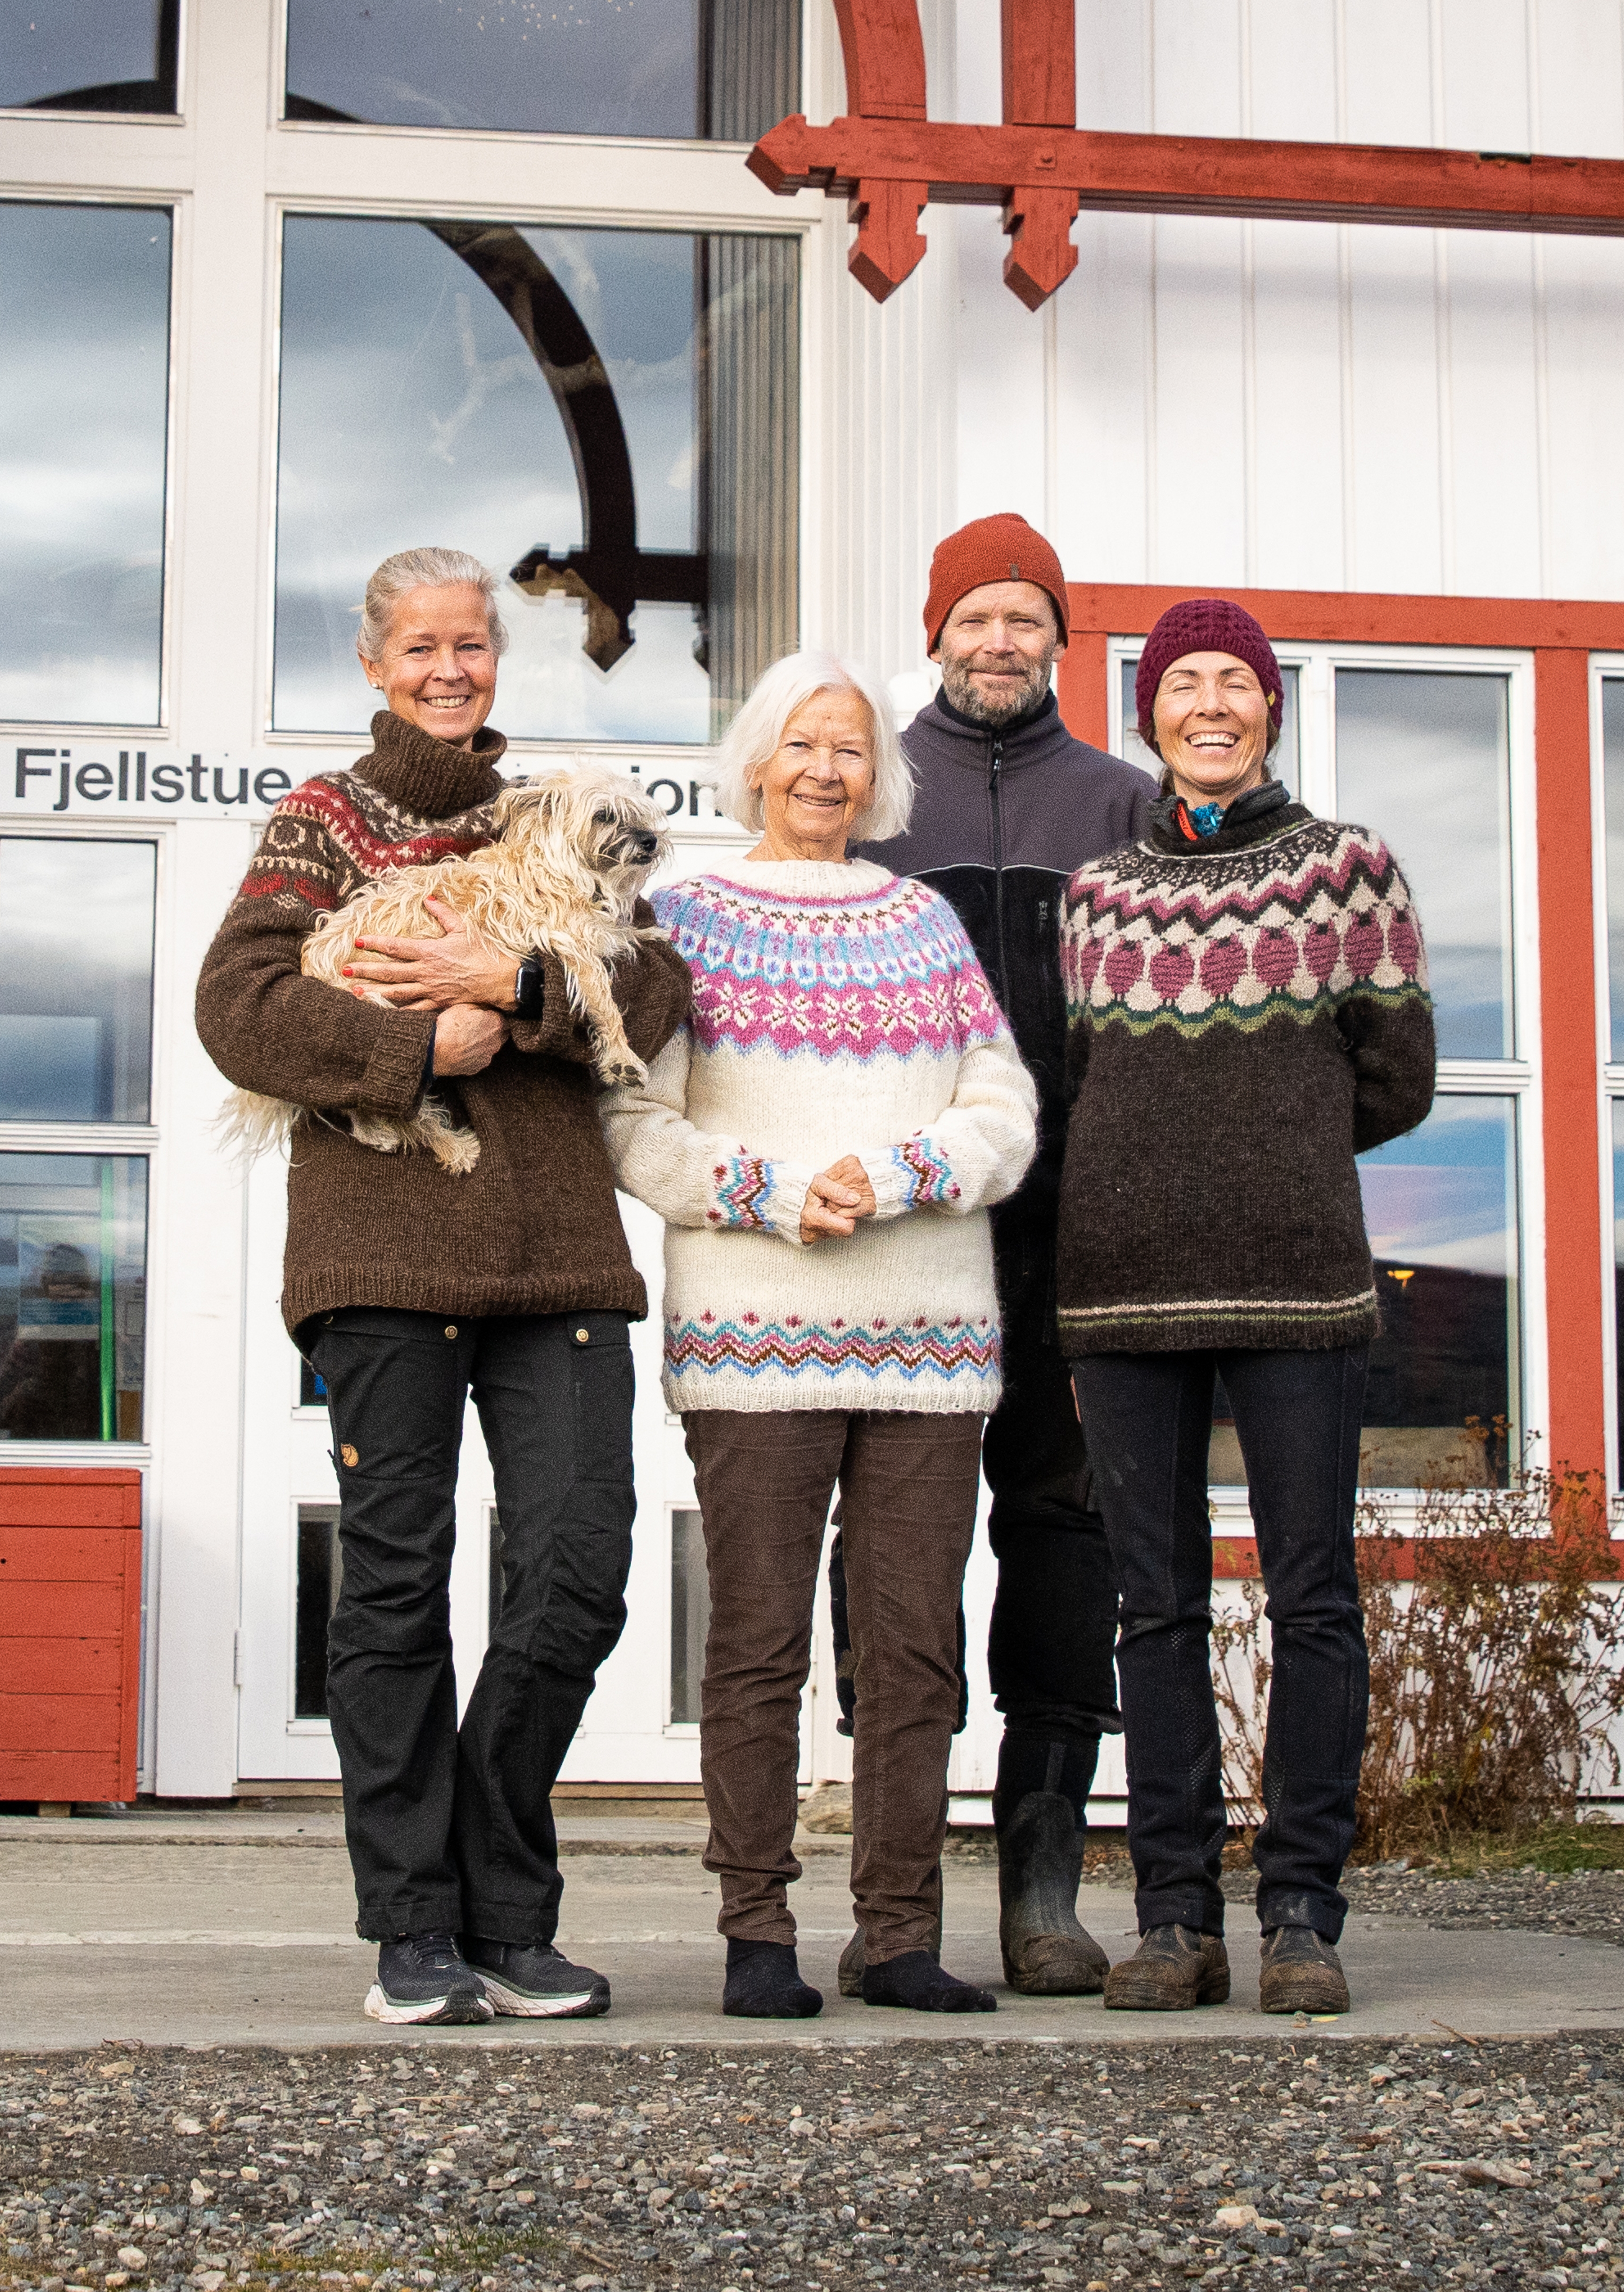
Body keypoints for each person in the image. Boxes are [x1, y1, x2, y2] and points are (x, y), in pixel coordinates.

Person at [196, 546, 690, 2028]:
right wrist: (421, 1052)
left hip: (556, 1259)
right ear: (375, 662)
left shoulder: (551, 816)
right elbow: (239, 1005)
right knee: (397, 1588)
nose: (450, 666)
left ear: (496, 658)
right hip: (380, 1251)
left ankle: (496, 1887)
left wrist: (523, 991)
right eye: (421, 645)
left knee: (578, 1573)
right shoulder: (319, 824)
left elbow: (654, 994)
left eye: (471, 642)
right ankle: (421, 1928)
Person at [602, 650, 1038, 2019]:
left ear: (880, 773)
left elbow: (1005, 1105)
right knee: (757, 1640)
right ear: (755, 760)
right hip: (752, 1334)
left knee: (912, 1646)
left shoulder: (923, 922)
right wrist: (781, 1194)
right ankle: (755, 1932)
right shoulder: (680, 918)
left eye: (849, 748)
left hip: (932, 1344)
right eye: (801, 745)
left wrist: (903, 1172)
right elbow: (631, 1119)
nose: (825, 770)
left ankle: (899, 1933)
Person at [1056, 597, 1436, 2015]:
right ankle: (1173, 1920)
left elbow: (1397, 1077)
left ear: (1270, 710)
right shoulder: (1093, 896)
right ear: (1148, 714)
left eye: (1237, 683)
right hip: (1123, 1296)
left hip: (1298, 1286)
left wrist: (1276, 1159)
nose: (1209, 704)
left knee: (1313, 1598)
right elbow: (1085, 1087)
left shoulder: (1350, 872)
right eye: (1182, 684)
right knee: (1152, 1609)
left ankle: (1298, 1918)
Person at [841, 512, 1157, 1998]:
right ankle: (893, 1882)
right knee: (895, 1544)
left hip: (1076, 1228)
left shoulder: (1124, 805)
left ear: (1060, 641)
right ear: (937, 631)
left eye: (1027, 617)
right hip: (908, 1227)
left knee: (1061, 1537)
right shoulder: (869, 794)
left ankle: (1042, 1887)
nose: (1000, 641)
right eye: (976, 617)